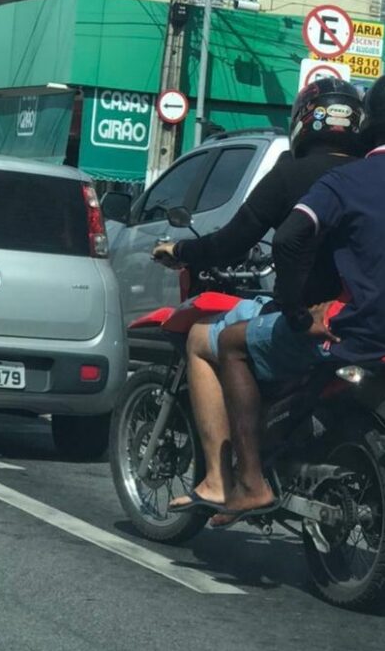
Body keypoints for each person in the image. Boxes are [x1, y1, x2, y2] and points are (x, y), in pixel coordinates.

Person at [213, 70, 385, 522]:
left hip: (358, 335)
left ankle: (250, 482)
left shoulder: (349, 178)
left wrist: (293, 312)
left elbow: (290, 237)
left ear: (367, 121)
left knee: (231, 342)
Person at [150, 78, 363, 514]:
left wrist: (182, 251)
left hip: (310, 321)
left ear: (305, 121)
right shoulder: (372, 176)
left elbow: (232, 240)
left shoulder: (290, 175)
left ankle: (218, 479)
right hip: (366, 321)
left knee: (203, 337)